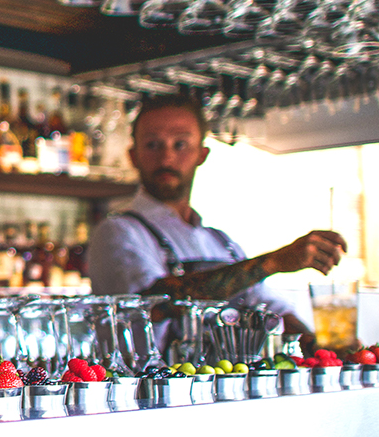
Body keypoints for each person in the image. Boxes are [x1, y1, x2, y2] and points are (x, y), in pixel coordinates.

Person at [88, 94, 346, 348]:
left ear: (202, 154)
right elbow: (154, 303)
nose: (166, 158)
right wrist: (274, 262)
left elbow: (270, 311)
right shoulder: (118, 231)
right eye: (153, 145)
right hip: (153, 387)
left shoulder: (220, 242)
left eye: (180, 144)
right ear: (133, 155)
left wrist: (324, 348)